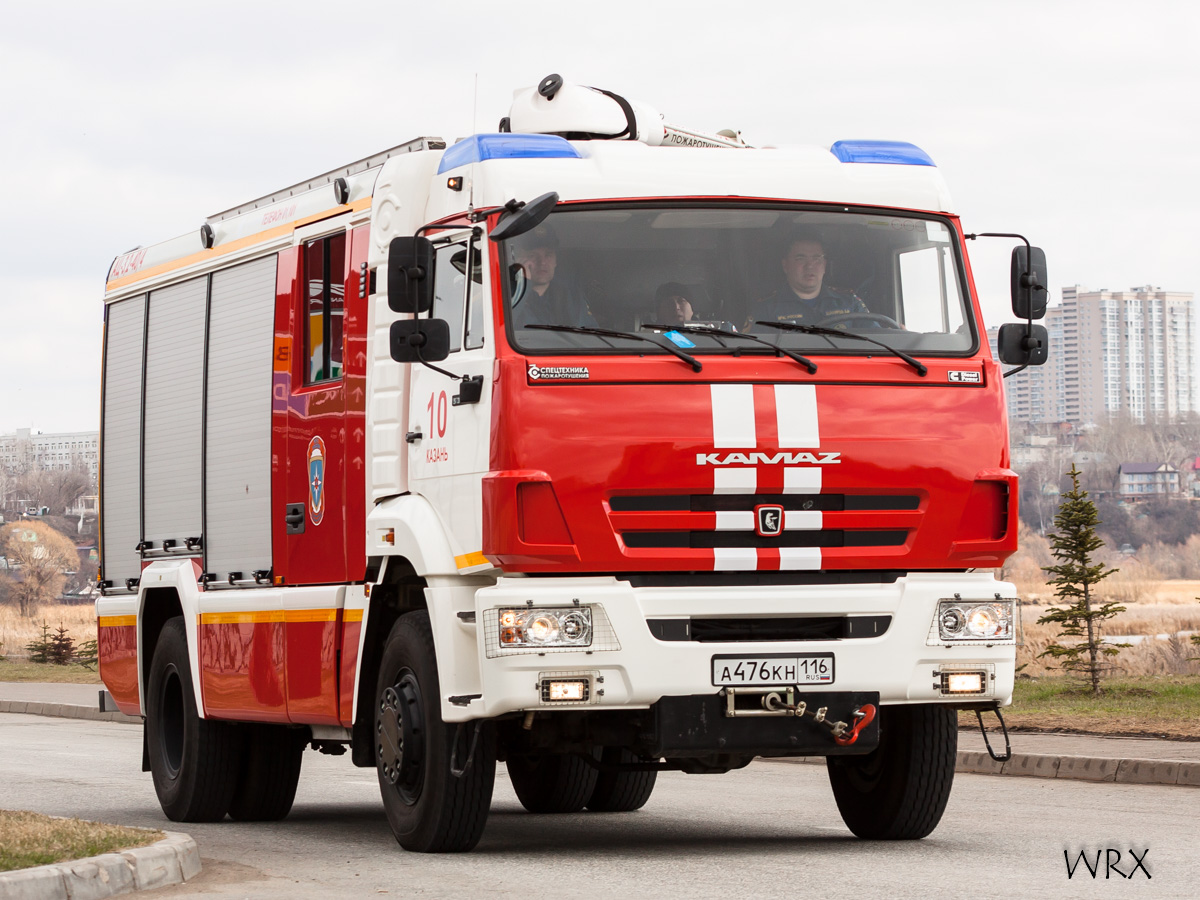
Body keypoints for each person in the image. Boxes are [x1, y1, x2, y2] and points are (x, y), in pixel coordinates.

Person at [747, 233, 869, 331]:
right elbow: (753, 355)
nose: (810, 266)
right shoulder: (766, 309)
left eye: (816, 259)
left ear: (824, 265)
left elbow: (876, 345)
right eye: (800, 258)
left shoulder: (850, 303)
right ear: (785, 266)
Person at [509, 225, 597, 329]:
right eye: (532, 255)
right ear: (520, 261)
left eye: (548, 255)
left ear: (556, 261)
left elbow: (590, 335)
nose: (542, 262)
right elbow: (500, 330)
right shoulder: (508, 298)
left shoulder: (571, 296)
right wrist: (521, 285)